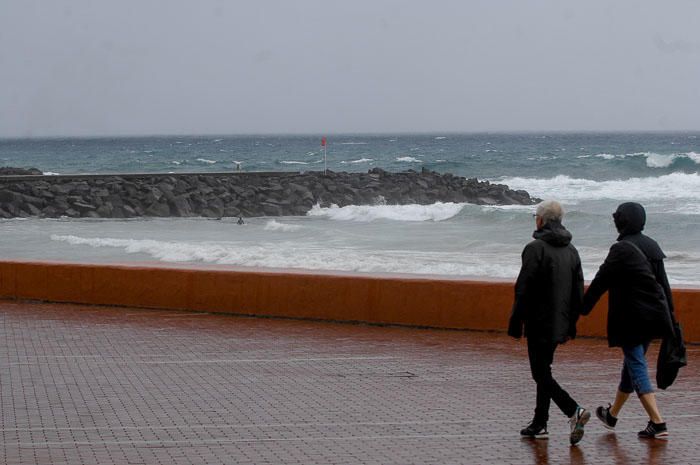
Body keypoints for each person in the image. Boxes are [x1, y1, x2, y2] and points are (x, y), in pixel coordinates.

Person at [581, 202, 674, 439]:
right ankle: (611, 415)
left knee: (636, 364)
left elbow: (601, 281)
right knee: (632, 365)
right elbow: (664, 285)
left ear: (621, 222)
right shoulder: (652, 245)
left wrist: (581, 309)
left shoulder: (621, 249)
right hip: (654, 317)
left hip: (631, 319)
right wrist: (671, 317)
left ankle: (658, 422)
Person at [508, 200, 589, 445]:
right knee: (544, 370)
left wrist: (516, 321)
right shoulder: (571, 249)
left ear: (541, 220)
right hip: (560, 322)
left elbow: (523, 288)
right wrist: (572, 323)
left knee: (540, 373)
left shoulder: (535, 248)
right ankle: (540, 423)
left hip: (539, 321)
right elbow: (578, 291)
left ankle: (573, 410)